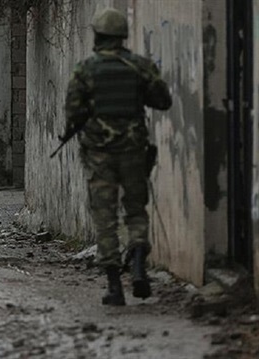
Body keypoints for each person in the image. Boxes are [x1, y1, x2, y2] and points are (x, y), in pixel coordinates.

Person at [63, 7, 172, 305]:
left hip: (100, 154)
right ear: (122, 36)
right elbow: (163, 101)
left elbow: (72, 112)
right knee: (136, 209)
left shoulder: (85, 69)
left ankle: (114, 286)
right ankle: (138, 265)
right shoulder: (140, 66)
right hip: (134, 151)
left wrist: (91, 113)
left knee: (105, 218)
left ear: (98, 35)